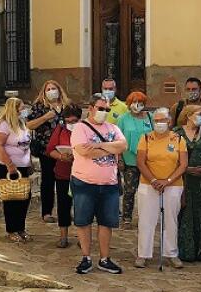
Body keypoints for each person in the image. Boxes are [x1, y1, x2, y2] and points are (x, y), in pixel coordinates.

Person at [70, 93, 129, 275]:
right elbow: (83, 151)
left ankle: (104, 258)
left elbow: (123, 146)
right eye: (101, 108)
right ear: (91, 108)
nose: (104, 112)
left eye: (107, 109)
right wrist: (108, 148)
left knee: (106, 222)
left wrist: (97, 146)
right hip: (84, 182)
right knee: (83, 221)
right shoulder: (80, 128)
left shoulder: (113, 127)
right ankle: (86, 257)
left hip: (109, 183)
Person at [136, 108, 188, 269]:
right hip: (148, 184)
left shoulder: (178, 139)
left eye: (163, 120)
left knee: (170, 220)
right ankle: (143, 254)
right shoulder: (145, 138)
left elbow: (183, 164)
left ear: (169, 121)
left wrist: (168, 180)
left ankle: (171, 253)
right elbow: (141, 162)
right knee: (146, 219)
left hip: (173, 185)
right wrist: (153, 180)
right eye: (156, 120)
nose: (159, 123)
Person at [26, 80, 70, 224]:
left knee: (65, 181)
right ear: (44, 93)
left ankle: (65, 211)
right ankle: (47, 212)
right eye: (48, 89)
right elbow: (29, 125)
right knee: (48, 180)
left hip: (65, 149)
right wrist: (45, 117)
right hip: (46, 149)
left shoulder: (67, 106)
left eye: (54, 88)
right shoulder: (39, 107)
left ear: (59, 90)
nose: (51, 91)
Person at [0, 97, 34, 243]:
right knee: (11, 198)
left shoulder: (22, 124)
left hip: (23, 165)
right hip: (5, 166)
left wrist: (29, 162)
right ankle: (11, 229)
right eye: (22, 108)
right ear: (14, 110)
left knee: (24, 197)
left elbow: (26, 145)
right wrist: (10, 165)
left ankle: (21, 227)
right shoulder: (2, 125)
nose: (24, 111)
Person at [177, 104, 201, 264]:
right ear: (188, 115)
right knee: (186, 215)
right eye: (199, 114)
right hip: (184, 180)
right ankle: (187, 251)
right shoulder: (176, 133)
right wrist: (186, 169)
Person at [45, 105, 83, 249]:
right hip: (63, 173)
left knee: (82, 206)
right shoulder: (60, 129)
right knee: (63, 205)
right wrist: (61, 156)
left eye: (74, 121)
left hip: (82, 174)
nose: (71, 124)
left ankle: (82, 236)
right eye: (68, 121)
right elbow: (50, 149)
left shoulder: (86, 130)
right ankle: (63, 236)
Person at [116, 90, 152, 226]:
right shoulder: (123, 119)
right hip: (130, 160)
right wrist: (119, 158)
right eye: (135, 102)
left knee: (147, 191)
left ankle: (146, 216)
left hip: (148, 160)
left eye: (141, 103)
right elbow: (118, 140)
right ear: (129, 104)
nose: (137, 105)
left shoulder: (150, 117)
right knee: (130, 190)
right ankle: (127, 218)